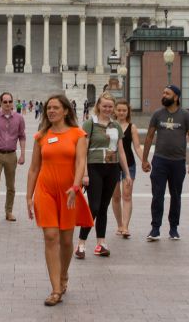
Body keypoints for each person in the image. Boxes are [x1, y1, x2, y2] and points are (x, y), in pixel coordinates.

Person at [26, 94, 92, 306]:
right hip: (45, 190)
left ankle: (63, 276)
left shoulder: (78, 134)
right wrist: (29, 196)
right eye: (48, 108)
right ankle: (55, 289)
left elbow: (81, 162)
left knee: (65, 240)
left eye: (55, 108)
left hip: (68, 192)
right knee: (51, 236)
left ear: (65, 111)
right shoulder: (41, 136)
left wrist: (75, 186)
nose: (51, 111)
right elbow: (34, 168)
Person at [75, 92, 131, 259]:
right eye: (104, 106)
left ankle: (101, 242)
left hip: (112, 168)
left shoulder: (116, 126)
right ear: (98, 105)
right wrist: (84, 173)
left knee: (104, 207)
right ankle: (81, 243)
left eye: (110, 106)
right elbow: (82, 151)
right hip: (94, 167)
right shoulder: (89, 124)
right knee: (94, 207)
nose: (107, 109)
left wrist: (126, 173)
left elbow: (121, 151)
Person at [141, 85, 189, 241]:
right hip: (160, 161)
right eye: (163, 92)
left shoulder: (186, 116)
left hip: (178, 163)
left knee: (176, 196)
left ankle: (174, 228)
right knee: (157, 195)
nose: (163, 95)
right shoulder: (157, 114)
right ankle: (155, 228)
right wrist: (145, 159)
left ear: (176, 97)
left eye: (167, 93)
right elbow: (149, 137)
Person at [0, 92, 26, 223]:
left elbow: (22, 136)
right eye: (5, 102)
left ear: (12, 102)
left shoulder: (19, 118)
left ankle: (9, 212)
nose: (8, 104)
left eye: (9, 101)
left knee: (11, 186)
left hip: (11, 155)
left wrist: (23, 154)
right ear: (0, 103)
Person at [111, 99, 143, 238]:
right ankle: (119, 224)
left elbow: (136, 147)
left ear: (128, 112)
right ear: (115, 111)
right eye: (119, 110)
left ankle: (125, 226)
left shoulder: (132, 127)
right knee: (116, 196)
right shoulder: (110, 126)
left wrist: (144, 160)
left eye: (124, 110)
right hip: (112, 165)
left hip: (129, 165)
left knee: (127, 195)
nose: (122, 112)